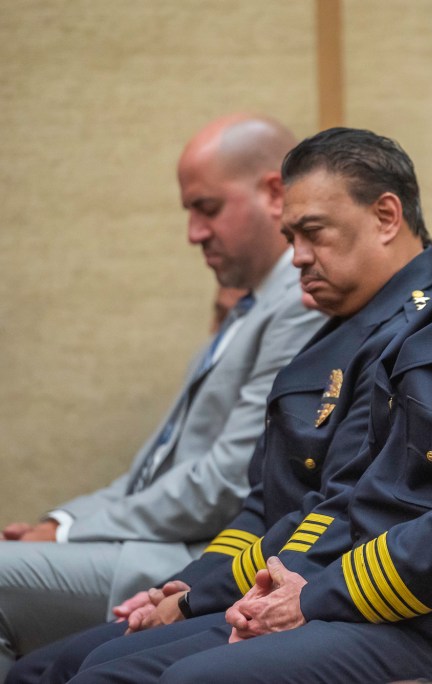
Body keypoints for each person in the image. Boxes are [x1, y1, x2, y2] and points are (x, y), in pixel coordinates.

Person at [65, 81, 432, 684]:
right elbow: (354, 490)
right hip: (354, 604)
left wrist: (309, 598)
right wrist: (282, 580)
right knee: (107, 667)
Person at [4, 126, 432, 683]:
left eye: (313, 233)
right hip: (268, 576)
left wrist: (200, 597)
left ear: (387, 217)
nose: (297, 258)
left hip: (320, 592)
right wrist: (190, 583)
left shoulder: (417, 336)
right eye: (291, 237)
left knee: (99, 673)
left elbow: (336, 512)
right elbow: (262, 500)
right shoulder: (339, 329)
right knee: (47, 669)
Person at [0, 114, 325, 677]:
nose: (194, 233)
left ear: (274, 192)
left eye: (207, 208)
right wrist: (62, 519)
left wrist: (71, 532)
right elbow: (152, 467)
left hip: (192, 555)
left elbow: (223, 481)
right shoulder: (248, 305)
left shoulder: (297, 307)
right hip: (158, 540)